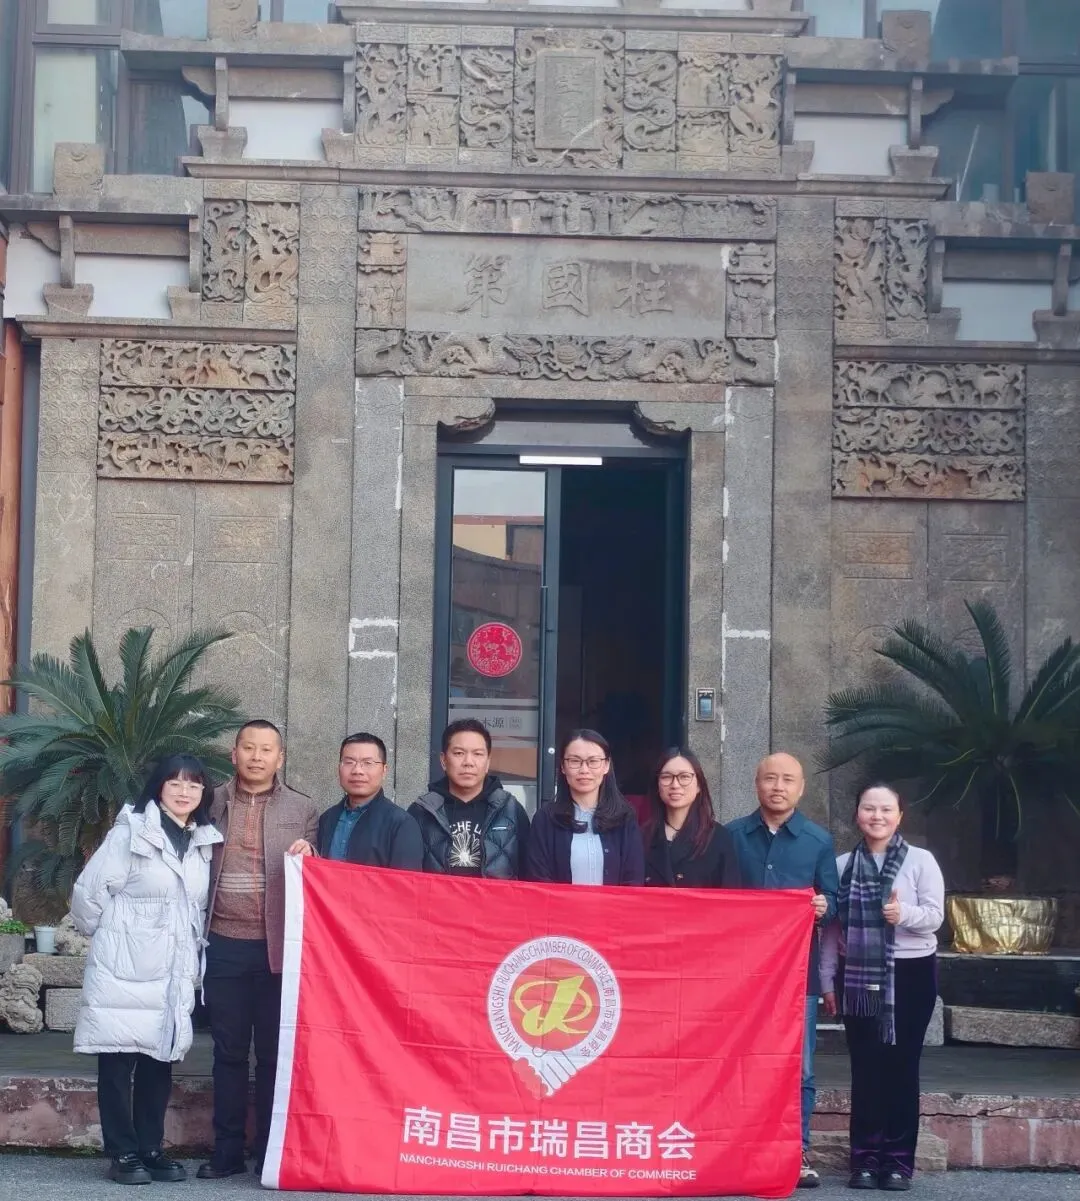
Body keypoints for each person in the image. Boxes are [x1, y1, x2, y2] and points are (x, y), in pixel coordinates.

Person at [71, 755, 222, 1185]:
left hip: (171, 970)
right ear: (158, 787)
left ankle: (151, 1148)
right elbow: (88, 895)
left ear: (203, 793)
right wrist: (112, 937)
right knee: (118, 1062)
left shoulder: (203, 841)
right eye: (175, 783)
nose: (183, 792)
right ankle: (122, 1152)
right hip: (124, 966)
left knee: (160, 1059)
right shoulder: (131, 832)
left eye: (193, 785)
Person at [198, 719, 320, 1180]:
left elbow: (319, 873)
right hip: (223, 943)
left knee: (272, 1054)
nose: (256, 756)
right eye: (248, 748)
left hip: (277, 949)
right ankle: (226, 1150)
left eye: (266, 749)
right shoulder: (210, 802)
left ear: (280, 757)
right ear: (234, 754)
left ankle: (270, 1150)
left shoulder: (303, 809)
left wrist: (312, 853)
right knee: (228, 1052)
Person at [820, 784, 944, 1193]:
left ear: (899, 815)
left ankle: (897, 1163)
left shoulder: (920, 861)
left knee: (902, 1068)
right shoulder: (842, 865)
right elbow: (831, 929)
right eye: (869, 808)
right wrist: (826, 979)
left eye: (886, 809)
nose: (877, 816)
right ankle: (864, 1161)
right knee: (866, 1069)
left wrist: (901, 913)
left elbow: (935, 916)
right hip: (857, 978)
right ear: (857, 814)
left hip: (911, 974)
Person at [726, 752, 839, 1190]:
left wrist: (825, 905)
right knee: (739, 1061)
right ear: (756, 783)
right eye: (770, 778)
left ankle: (797, 1149)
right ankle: (737, 1149)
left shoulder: (818, 840)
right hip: (740, 976)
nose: (778, 786)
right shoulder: (732, 836)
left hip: (798, 975)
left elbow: (835, 899)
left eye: (787, 779)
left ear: (801, 787)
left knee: (800, 1067)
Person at [410, 718, 530, 879]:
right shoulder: (422, 811)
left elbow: (528, 874)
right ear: (444, 760)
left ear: (488, 762)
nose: (468, 762)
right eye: (459, 753)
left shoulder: (510, 810)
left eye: (478, 754)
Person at [527, 728, 644, 885]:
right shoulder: (545, 819)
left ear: (606, 766)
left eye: (593, 761)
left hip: (614, 903)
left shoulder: (624, 818)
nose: (584, 770)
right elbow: (538, 879)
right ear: (563, 767)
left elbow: (633, 879)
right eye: (575, 761)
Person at [289, 732, 423, 868]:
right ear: (339, 768)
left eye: (368, 763)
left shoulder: (401, 824)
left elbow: (406, 880)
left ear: (384, 770)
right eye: (349, 762)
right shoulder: (327, 818)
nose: (357, 770)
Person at [642, 747, 741, 888]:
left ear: (699, 785)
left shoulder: (718, 837)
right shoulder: (643, 836)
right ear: (657, 785)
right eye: (666, 777)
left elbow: (729, 895)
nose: (675, 785)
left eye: (684, 777)